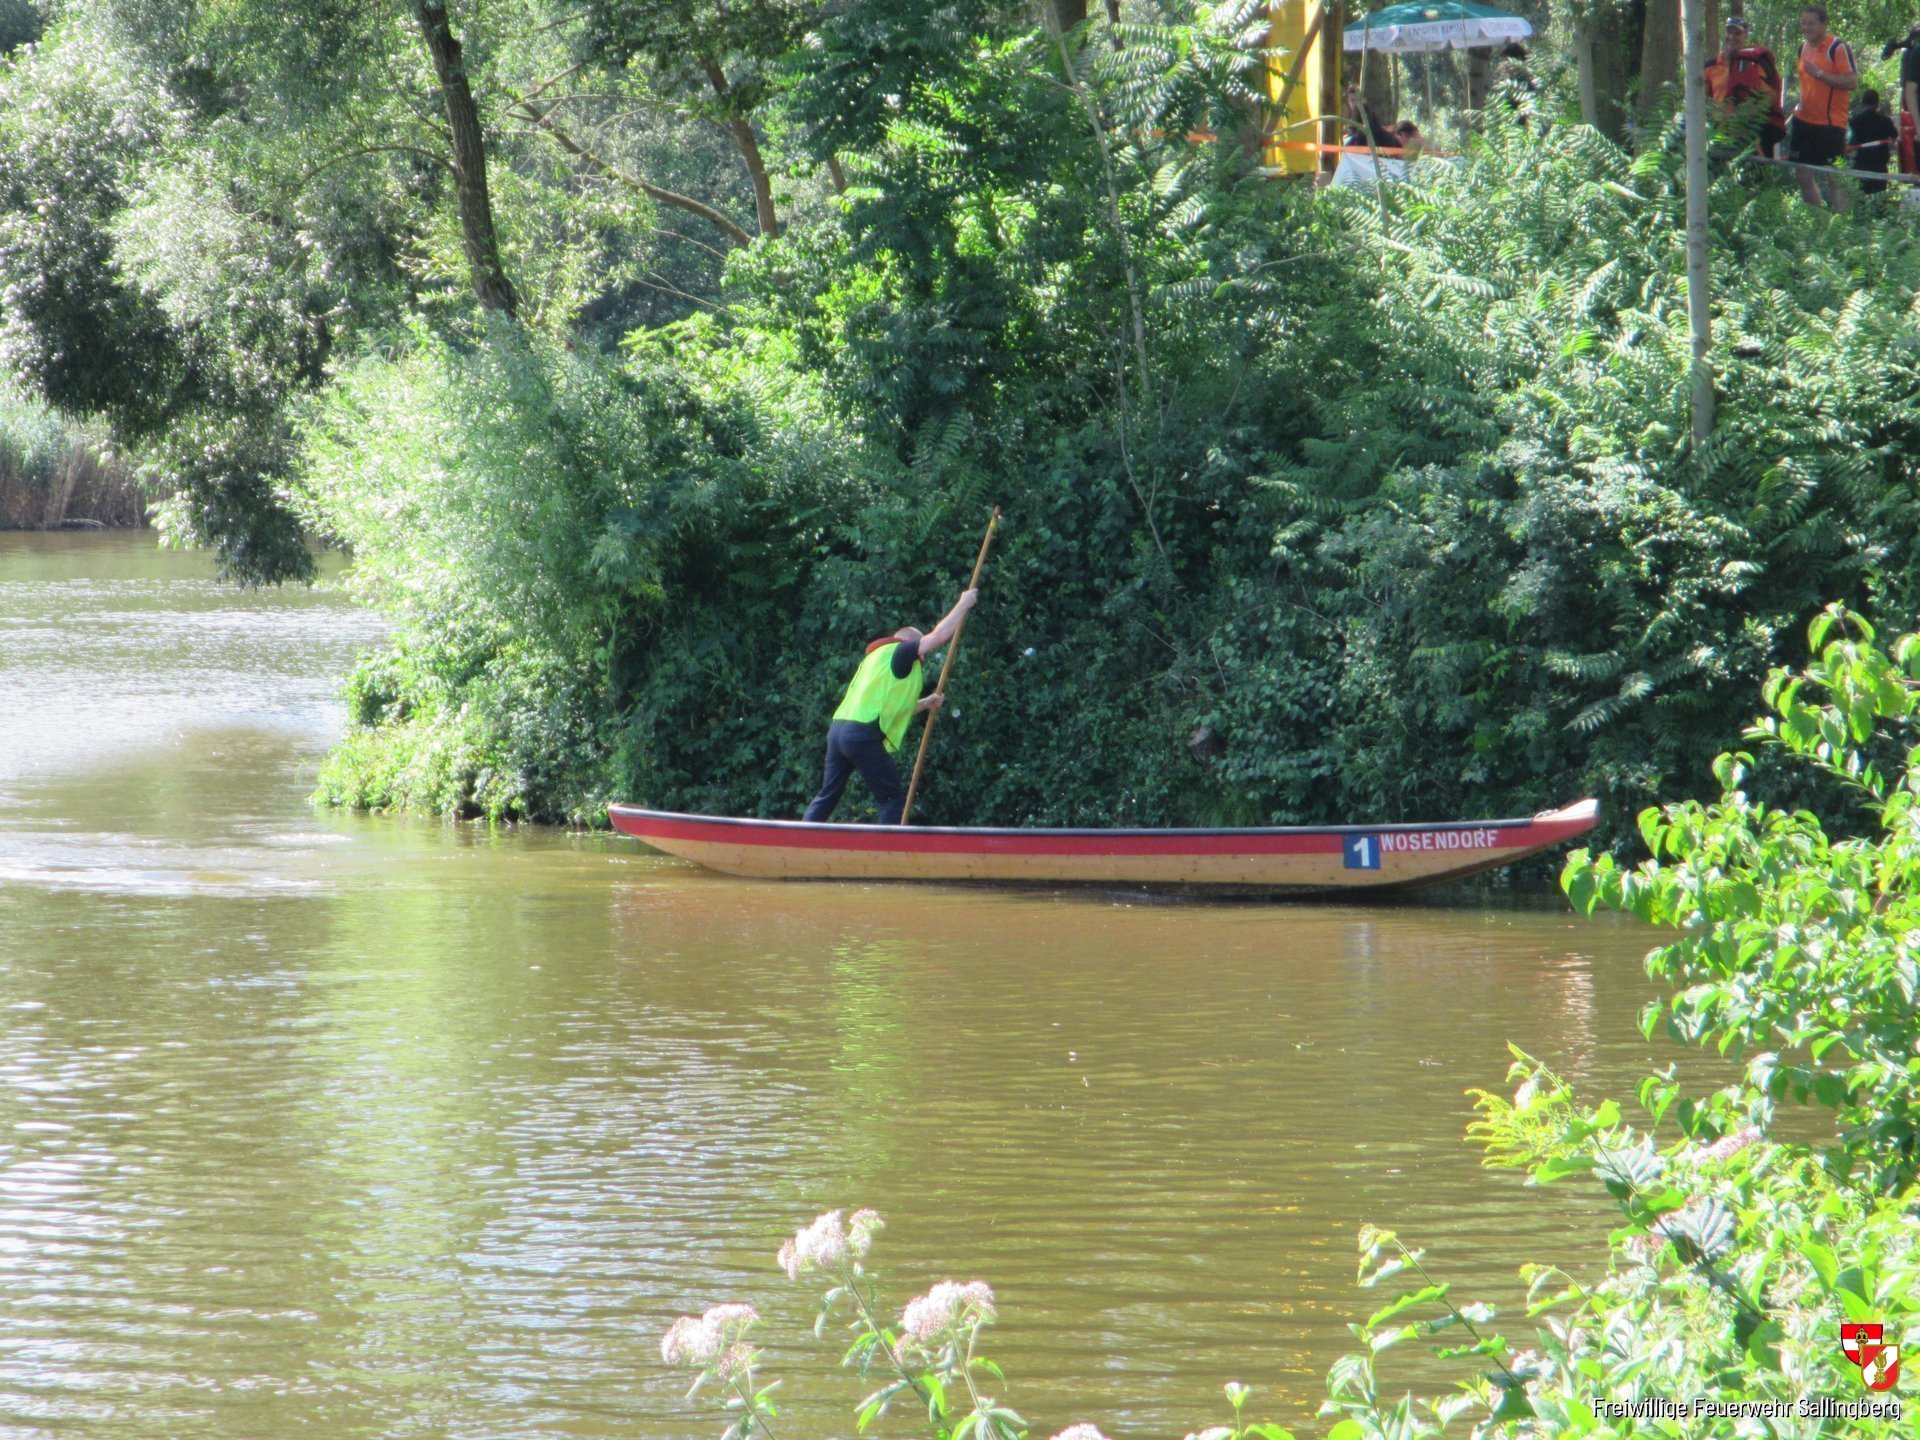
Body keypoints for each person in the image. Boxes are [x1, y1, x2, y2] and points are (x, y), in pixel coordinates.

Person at [802, 589, 977, 825]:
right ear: (910, 643)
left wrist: (926, 703)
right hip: (860, 734)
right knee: (891, 798)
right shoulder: (902, 652)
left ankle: (800, 839)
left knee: (827, 795)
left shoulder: (876, 659)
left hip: (838, 732)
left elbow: (887, 707)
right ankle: (886, 846)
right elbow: (937, 637)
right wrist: (963, 604)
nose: (921, 660)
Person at [1787, 4, 1859, 209]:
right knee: (1802, 174)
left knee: (1834, 177)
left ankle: (1840, 223)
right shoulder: (1803, 48)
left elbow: (1852, 82)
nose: (1806, 27)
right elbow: (1806, 84)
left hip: (1830, 124)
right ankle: (1818, 220)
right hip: (1804, 121)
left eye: (1811, 23)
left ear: (1824, 24)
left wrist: (1820, 73)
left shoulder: (1837, 47)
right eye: (1803, 23)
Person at [1704, 16, 1785, 158]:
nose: (1732, 37)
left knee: (1754, 169)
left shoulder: (1754, 62)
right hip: (1720, 133)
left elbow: (1770, 96)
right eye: (1729, 32)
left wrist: (1746, 115)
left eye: (1737, 33)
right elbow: (1703, 100)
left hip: (1752, 132)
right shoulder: (1710, 67)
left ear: (1745, 36)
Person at [1850, 88, 1900, 193]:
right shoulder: (1885, 121)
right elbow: (1895, 135)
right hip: (1880, 164)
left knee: (1861, 196)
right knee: (1880, 195)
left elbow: (1852, 142)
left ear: (1863, 102)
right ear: (1877, 103)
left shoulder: (1855, 121)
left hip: (1862, 163)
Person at [1343, 85, 1397, 150]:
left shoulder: (1367, 114)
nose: (1355, 103)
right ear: (1348, 101)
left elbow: (1362, 135)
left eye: (1358, 100)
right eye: (1352, 100)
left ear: (1363, 100)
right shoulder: (1352, 116)